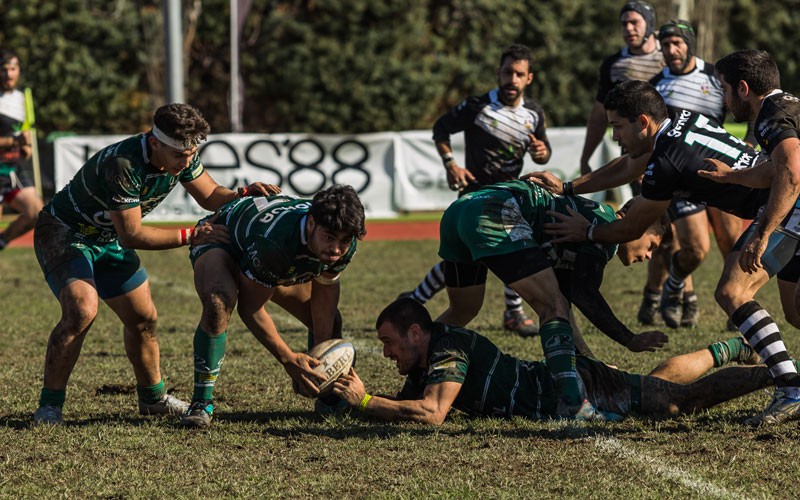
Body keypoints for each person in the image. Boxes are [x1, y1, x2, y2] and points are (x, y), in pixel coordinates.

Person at [533, 79, 800, 426]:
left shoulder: (667, 161)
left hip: (784, 207)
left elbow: (631, 227)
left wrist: (586, 231)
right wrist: (569, 186)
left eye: (617, 127)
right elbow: (629, 166)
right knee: (795, 312)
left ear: (643, 122)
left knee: (733, 291)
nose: (614, 137)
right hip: (786, 202)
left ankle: (791, 386)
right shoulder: (676, 118)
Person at [32, 103, 279, 425]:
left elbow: (208, 196)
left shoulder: (181, 153)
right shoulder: (123, 165)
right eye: (180, 155)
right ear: (155, 143)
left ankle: (152, 399)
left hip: (106, 239)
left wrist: (242, 194)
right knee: (81, 310)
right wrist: (193, 235)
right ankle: (49, 406)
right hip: (65, 233)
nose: (187, 162)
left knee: (143, 318)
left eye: (192, 153)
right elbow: (133, 235)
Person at [429, 178, 671, 418]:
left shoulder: (593, 215)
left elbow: (566, 300)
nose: (649, 256)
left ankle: (419, 372)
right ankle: (572, 404)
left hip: (462, 208)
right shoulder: (604, 229)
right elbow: (583, 294)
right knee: (550, 305)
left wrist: (591, 363)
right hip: (494, 210)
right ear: (638, 225)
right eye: (652, 245)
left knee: (463, 310)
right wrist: (629, 339)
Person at [331, 298, 766, 424]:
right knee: (656, 386)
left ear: (414, 332)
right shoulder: (426, 361)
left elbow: (431, 413)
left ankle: (779, 373)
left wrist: (366, 402)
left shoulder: (449, 347)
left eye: (388, 343)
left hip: (573, 386)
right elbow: (402, 406)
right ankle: (728, 349)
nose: (386, 353)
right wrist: (341, 396)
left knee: (678, 403)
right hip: (563, 383)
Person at [180, 185, 366, 428]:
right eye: (329, 238)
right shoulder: (275, 242)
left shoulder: (344, 242)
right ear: (311, 223)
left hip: (270, 254)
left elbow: (325, 294)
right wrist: (289, 359)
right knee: (219, 305)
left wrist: (320, 361)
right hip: (223, 236)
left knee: (330, 322)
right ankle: (201, 403)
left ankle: (328, 398)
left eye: (344, 241)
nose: (336, 249)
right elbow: (251, 309)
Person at [399, 44, 551, 337]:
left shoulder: (534, 113)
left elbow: (541, 153)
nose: (513, 79)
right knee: (464, 261)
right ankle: (415, 299)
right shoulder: (477, 106)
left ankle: (513, 313)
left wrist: (542, 153)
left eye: (520, 74)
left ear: (529, 78)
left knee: (515, 247)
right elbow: (440, 129)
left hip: (509, 196)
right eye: (508, 72)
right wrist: (451, 164)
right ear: (499, 73)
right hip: (474, 197)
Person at [639, 20, 746, 328]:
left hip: (724, 170)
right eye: (666, 44)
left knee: (732, 240)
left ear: (690, 44)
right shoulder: (656, 85)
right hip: (681, 175)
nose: (671, 50)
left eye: (678, 43)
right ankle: (673, 289)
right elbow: (645, 133)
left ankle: (736, 307)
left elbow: (749, 111)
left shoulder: (717, 77)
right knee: (695, 248)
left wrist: (748, 148)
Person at [579, 1, 664, 177]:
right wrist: (585, 158)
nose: (628, 28)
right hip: (635, 151)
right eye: (624, 23)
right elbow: (599, 115)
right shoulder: (613, 64)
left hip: (671, 149)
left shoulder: (671, 56)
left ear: (649, 24)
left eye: (634, 22)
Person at [0, 48, 43, 250]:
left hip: (12, 169)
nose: (8, 74)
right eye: (4, 69)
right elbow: (16, 138)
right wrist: (13, 141)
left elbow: (25, 135)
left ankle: (2, 240)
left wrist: (26, 147)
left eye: (13, 68)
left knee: (36, 212)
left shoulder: (21, 98)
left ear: (18, 71)